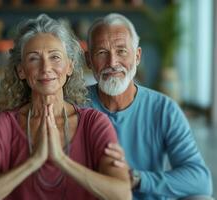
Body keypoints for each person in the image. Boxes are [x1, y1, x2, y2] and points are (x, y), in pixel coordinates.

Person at [0, 14, 132, 200]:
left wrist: (61, 161)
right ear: (21, 70)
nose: (45, 68)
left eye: (55, 57)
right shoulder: (2, 125)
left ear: (69, 67)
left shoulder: (94, 123)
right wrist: (33, 162)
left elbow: (122, 194)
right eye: (34, 58)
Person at [85, 13, 213, 199]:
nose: (112, 63)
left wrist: (136, 179)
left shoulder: (163, 108)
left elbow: (201, 181)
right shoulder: (76, 104)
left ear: (137, 56)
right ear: (88, 60)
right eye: (102, 53)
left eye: (121, 51)